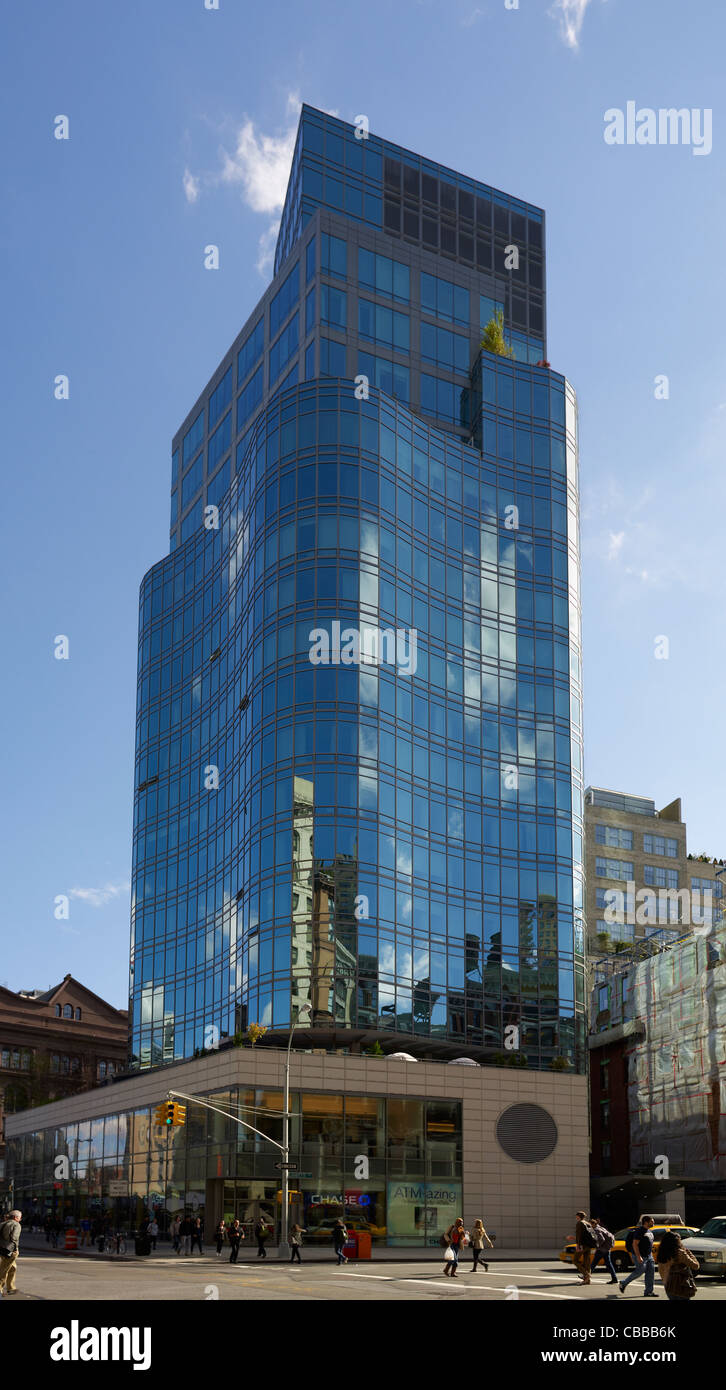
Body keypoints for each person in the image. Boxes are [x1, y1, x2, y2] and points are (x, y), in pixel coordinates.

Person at [619, 1216, 657, 1297]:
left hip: (649, 1256)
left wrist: (651, 1253)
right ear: (646, 1222)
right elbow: (635, 1244)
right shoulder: (640, 1231)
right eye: (652, 1221)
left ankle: (648, 1292)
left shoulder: (649, 1231)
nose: (653, 1223)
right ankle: (623, 1283)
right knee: (640, 1270)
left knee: (650, 1273)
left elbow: (650, 1243)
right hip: (639, 1255)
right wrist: (638, 1256)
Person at [657, 1231, 699, 1300]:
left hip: (667, 1284)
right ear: (676, 1241)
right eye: (680, 1240)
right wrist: (689, 1253)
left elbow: (660, 1270)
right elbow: (696, 1266)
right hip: (680, 1285)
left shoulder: (662, 1253)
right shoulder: (679, 1253)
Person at [0, 1210, 22, 1298]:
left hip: (1, 1249)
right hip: (9, 1251)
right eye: (20, 1217)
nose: (20, 1219)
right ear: (16, 1217)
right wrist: (14, 1249)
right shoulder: (16, 1224)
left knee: (13, 1267)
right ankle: (0, 1288)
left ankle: (11, 1287)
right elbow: (14, 1238)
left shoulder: (2, 1223)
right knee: (4, 1270)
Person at [589, 1217, 618, 1284]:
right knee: (609, 1264)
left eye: (590, 1225)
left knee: (593, 1263)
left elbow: (602, 1239)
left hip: (602, 1249)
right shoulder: (601, 1227)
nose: (589, 1227)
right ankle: (614, 1279)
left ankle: (586, 1276)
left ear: (593, 1224)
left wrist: (598, 1245)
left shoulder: (596, 1229)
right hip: (607, 1248)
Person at [574, 1211, 597, 1284]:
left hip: (582, 1245)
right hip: (589, 1245)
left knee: (575, 1260)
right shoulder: (588, 1223)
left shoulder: (580, 1223)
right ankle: (588, 1281)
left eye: (576, 1216)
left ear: (578, 1216)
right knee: (587, 1262)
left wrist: (578, 1245)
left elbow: (579, 1235)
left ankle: (586, 1275)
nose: (576, 1217)